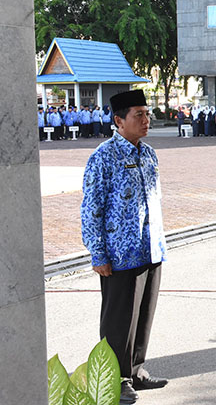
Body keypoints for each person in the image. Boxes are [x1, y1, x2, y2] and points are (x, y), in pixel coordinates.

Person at [80, 90, 168, 404]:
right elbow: (92, 208)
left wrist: (159, 241)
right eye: (138, 115)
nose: (146, 120)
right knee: (119, 320)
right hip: (119, 255)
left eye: (147, 114)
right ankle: (115, 381)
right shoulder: (103, 156)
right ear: (119, 120)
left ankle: (137, 370)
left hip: (150, 248)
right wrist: (97, 252)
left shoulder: (149, 154)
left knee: (144, 314)